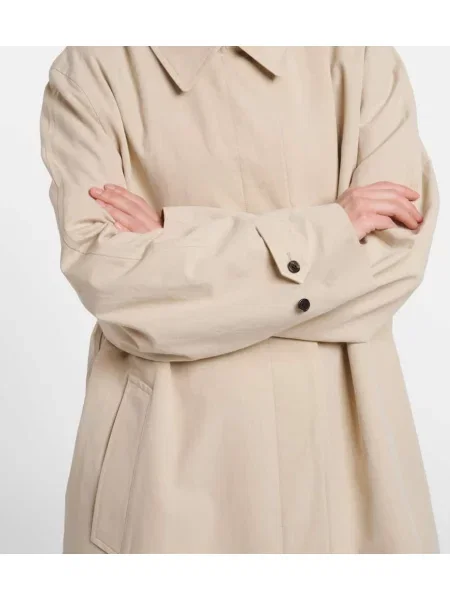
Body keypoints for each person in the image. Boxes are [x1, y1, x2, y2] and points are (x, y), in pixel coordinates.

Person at [39, 46, 439, 554]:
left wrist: (174, 239)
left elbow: (392, 262)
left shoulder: (360, 54)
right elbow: (112, 279)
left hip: (345, 459)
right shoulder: (94, 68)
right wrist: (331, 233)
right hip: (163, 458)